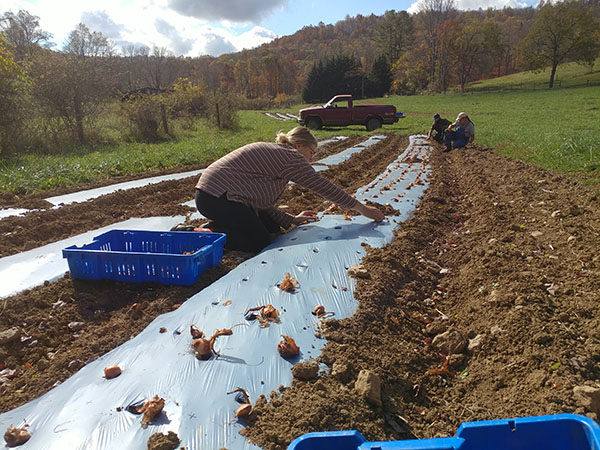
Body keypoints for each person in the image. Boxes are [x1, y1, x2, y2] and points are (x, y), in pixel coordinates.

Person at [194, 126, 385, 253]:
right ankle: (204, 233)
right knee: (258, 241)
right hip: (216, 197)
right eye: (311, 152)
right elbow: (322, 186)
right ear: (299, 145)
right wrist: (363, 209)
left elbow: (260, 202)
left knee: (272, 228)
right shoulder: (291, 157)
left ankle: (220, 226)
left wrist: (290, 220)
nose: (310, 159)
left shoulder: (279, 156)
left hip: (215, 195)